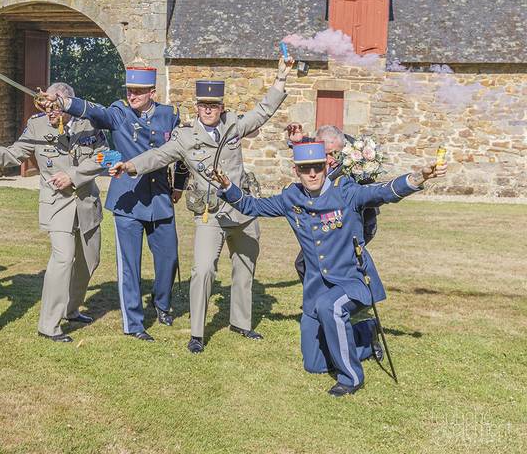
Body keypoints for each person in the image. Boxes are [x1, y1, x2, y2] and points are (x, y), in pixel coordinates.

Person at [212, 141, 447, 396]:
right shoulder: (292, 198)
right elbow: (253, 207)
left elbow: (383, 192)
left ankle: (351, 378)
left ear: (326, 167)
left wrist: (418, 177)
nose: (312, 174)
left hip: (352, 282)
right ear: (296, 171)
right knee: (314, 364)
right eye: (305, 169)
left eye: (317, 167)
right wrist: (227, 187)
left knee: (331, 307)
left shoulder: (345, 192)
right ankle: (366, 334)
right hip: (316, 290)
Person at [110, 56, 293, 353]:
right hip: (211, 214)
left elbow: (263, 111)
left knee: (245, 268)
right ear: (197, 107)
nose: (208, 110)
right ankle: (197, 333)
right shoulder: (185, 136)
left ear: (221, 108)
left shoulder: (233, 126)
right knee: (203, 270)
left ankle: (241, 323)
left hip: (243, 211)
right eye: (203, 106)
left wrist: (281, 78)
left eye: (214, 106)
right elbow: (158, 156)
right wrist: (129, 165)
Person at [42, 63, 188, 341]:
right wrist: (63, 101)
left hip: (159, 197)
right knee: (129, 265)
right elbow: (94, 111)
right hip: (127, 201)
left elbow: (182, 153)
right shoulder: (119, 113)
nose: (132, 95)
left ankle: (162, 304)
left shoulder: (169, 116)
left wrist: (179, 186)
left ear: (152, 92)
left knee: (168, 258)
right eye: (129, 90)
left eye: (138, 91)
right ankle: (133, 323)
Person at [0, 82, 106, 342]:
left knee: (90, 261)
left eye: (57, 106)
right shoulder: (37, 125)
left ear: (69, 104)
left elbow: (103, 157)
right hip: (57, 203)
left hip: (87, 203)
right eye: (47, 106)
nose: (51, 111)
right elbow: (15, 154)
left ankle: (71, 309)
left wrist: (73, 175)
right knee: (63, 258)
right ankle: (49, 325)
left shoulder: (89, 122)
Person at [286, 124, 380, 281]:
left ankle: (346, 299)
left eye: (333, 154)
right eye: (324, 154)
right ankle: (325, 300)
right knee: (305, 264)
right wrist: (297, 142)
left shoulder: (358, 159)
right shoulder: (321, 151)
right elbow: (312, 145)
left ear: (343, 149)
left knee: (315, 264)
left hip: (358, 225)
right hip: (330, 223)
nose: (329, 159)